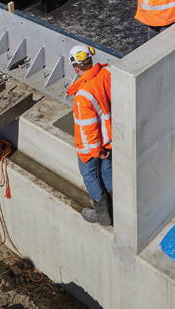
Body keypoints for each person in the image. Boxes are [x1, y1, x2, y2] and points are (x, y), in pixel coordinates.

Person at [66, 45, 112, 226]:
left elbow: (89, 127)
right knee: (107, 171)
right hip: (109, 139)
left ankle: (102, 214)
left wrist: (96, 151)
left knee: (90, 175)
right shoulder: (107, 72)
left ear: (76, 68)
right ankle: (112, 205)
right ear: (90, 61)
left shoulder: (82, 96)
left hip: (91, 147)